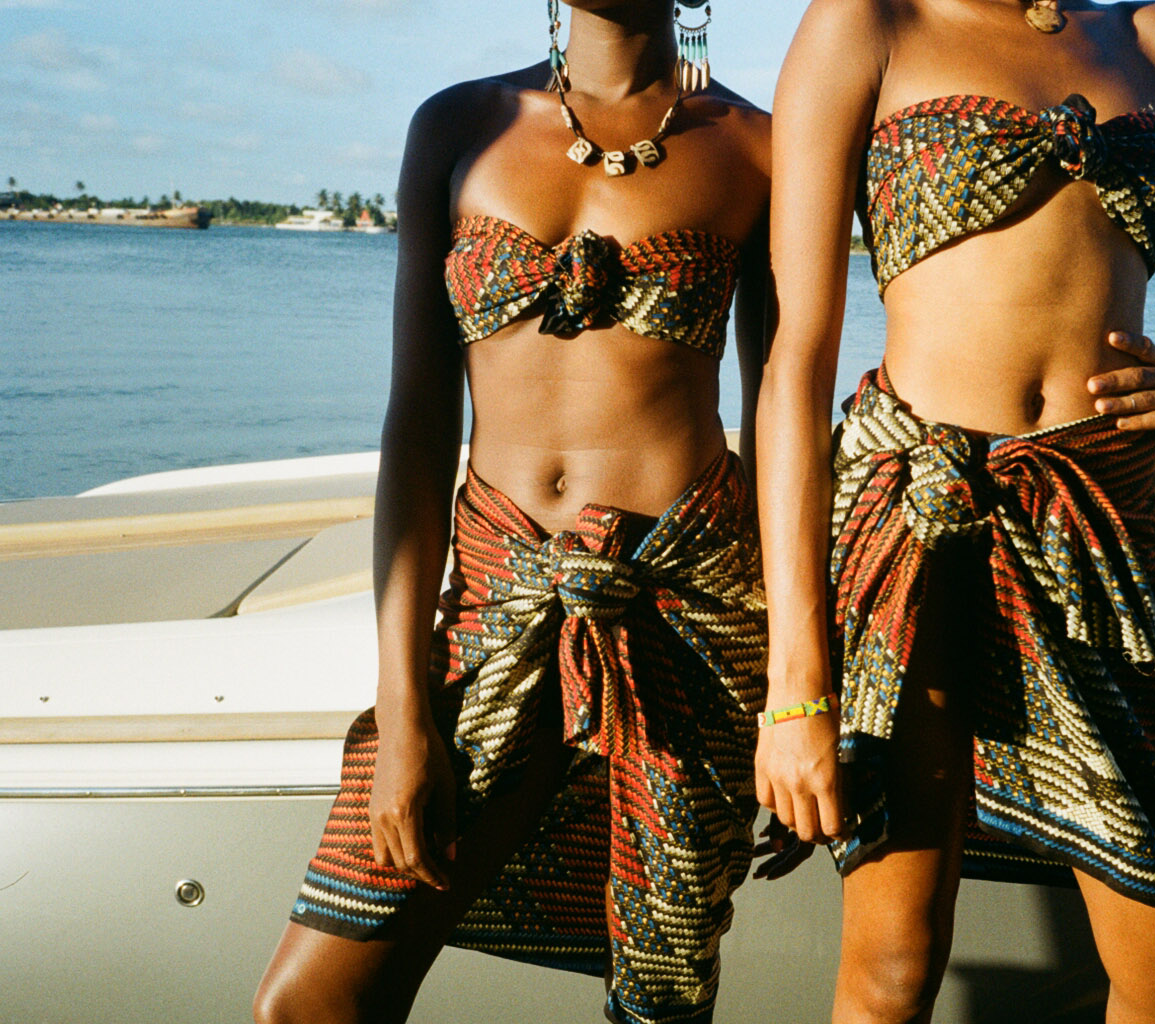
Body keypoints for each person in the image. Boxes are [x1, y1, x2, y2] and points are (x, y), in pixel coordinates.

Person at [753, 1, 1155, 1021]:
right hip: (913, 525)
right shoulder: (868, 22)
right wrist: (795, 690)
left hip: (1097, 524)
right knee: (892, 965)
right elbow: (794, 365)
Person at [252, 2, 772, 1022]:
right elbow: (417, 425)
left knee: (657, 1002)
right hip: (493, 608)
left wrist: (802, 686)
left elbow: (782, 421)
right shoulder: (458, 126)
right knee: (310, 1003)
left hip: (684, 618)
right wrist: (402, 712)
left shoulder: (759, 146)